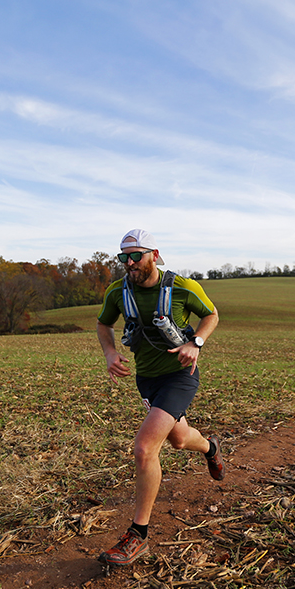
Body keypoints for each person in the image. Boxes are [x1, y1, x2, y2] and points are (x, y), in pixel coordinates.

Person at [95, 229, 223, 566]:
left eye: (136, 256)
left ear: (154, 254)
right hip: (147, 379)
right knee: (180, 439)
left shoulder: (182, 287)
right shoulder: (117, 292)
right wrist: (109, 353)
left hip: (180, 377)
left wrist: (195, 344)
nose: (130, 263)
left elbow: (211, 315)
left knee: (144, 448)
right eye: (124, 257)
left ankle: (138, 535)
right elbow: (103, 325)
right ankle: (211, 448)